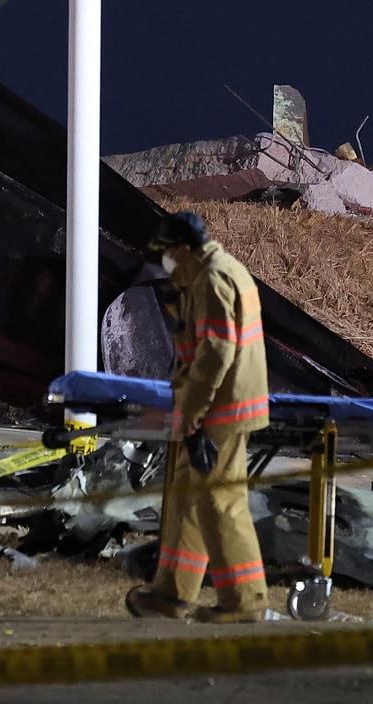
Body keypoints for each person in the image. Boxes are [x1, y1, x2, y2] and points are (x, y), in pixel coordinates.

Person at [125, 211, 271, 624]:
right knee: (187, 498)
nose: (167, 263)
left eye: (169, 254)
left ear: (184, 249)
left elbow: (216, 354)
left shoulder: (212, 279)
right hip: (216, 404)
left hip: (220, 408)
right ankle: (171, 594)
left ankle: (245, 602)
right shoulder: (213, 272)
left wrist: (192, 412)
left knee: (219, 501)